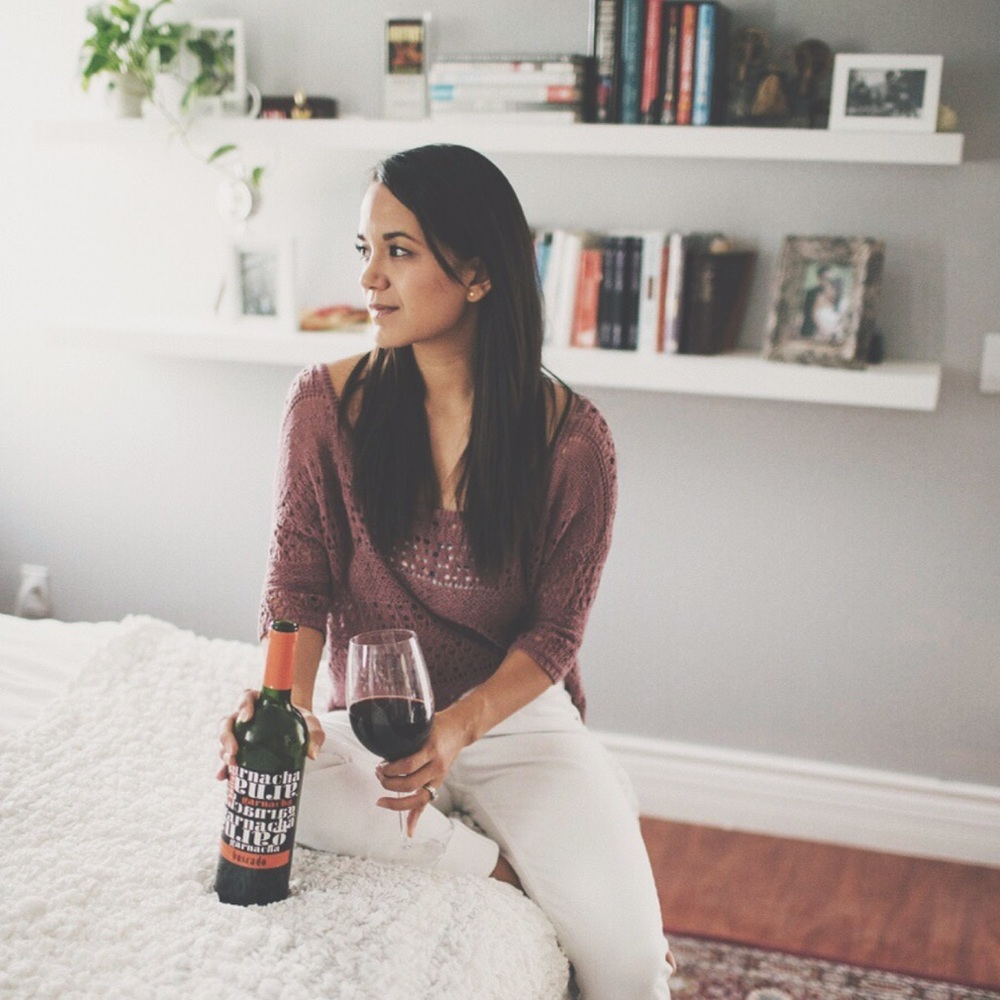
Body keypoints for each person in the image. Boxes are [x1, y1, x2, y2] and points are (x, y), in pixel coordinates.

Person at [218, 143, 675, 999]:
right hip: (378, 718)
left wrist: (461, 727)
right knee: (264, 780)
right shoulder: (325, 404)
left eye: (399, 251)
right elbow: (300, 582)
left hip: (513, 723)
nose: (369, 281)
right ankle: (491, 867)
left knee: (631, 969)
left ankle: (512, 813)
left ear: (475, 273)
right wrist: (286, 707)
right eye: (366, 250)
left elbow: (555, 633)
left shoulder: (572, 442)